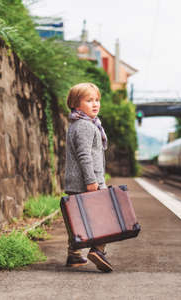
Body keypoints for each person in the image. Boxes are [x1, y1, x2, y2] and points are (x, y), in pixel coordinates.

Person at [63, 82, 112, 273]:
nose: (95, 104)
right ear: (76, 104)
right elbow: (85, 155)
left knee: (77, 219)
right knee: (104, 217)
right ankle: (98, 250)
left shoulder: (80, 123)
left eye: (97, 100)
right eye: (89, 100)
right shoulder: (85, 126)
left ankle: (74, 255)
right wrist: (93, 181)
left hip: (77, 182)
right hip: (87, 182)